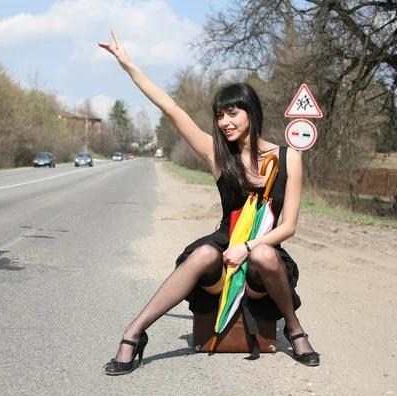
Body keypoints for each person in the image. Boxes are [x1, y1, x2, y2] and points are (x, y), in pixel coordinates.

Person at [98, 30, 320, 375]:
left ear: (251, 113)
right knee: (202, 252)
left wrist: (248, 246)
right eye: (220, 115)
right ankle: (134, 333)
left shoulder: (289, 157)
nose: (225, 122)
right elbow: (172, 109)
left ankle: (294, 328)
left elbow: (288, 226)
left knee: (262, 253)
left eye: (232, 113)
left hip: (264, 255)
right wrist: (128, 65)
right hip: (223, 246)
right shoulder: (217, 155)